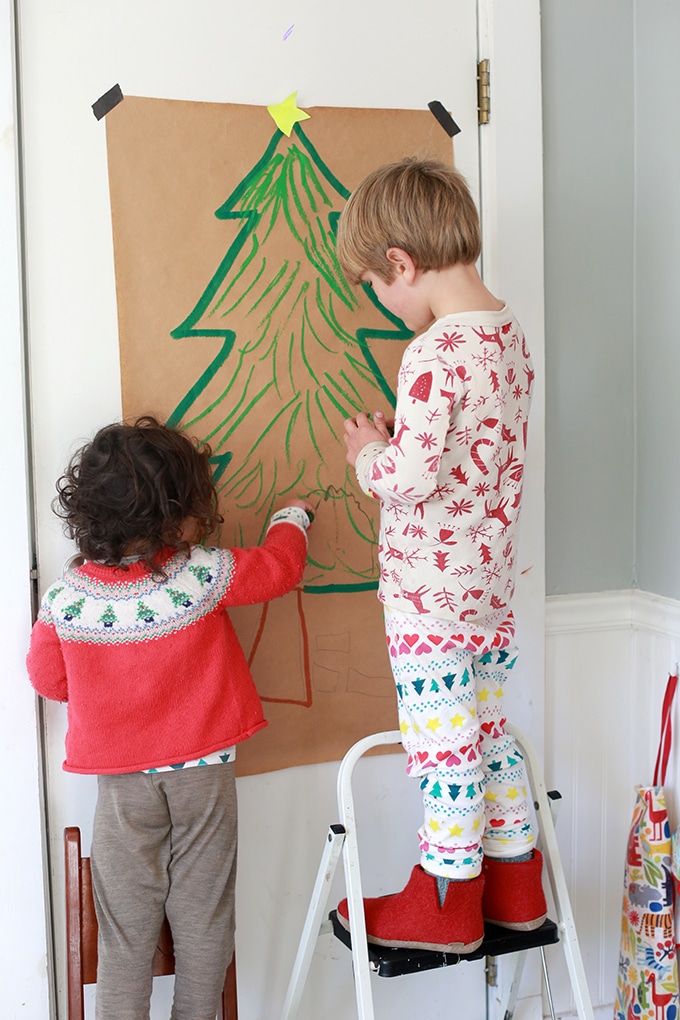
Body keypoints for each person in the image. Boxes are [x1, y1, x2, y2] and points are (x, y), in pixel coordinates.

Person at [26, 415, 314, 1019]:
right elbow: (280, 570)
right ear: (175, 514)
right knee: (203, 917)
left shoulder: (67, 598)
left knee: (124, 934)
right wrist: (291, 519)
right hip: (202, 775)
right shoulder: (201, 572)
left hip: (123, 785)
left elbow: (49, 680)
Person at [335, 158, 546, 954]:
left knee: (440, 742)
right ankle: (515, 882)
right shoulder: (507, 334)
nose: (384, 303)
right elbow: (472, 455)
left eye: (375, 286)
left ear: (401, 264)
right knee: (487, 732)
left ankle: (448, 898)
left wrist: (366, 453)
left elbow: (410, 475)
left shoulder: (432, 353)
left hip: (428, 600)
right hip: (488, 591)